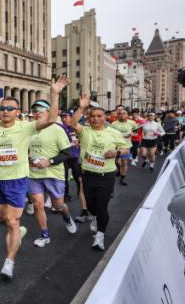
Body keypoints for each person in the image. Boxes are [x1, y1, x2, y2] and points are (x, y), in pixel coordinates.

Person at [0, 77, 68, 279]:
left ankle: (9, 262)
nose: (5, 111)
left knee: (12, 221)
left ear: (17, 112)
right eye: (2, 108)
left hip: (17, 180)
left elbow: (51, 119)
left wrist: (55, 94)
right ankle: (18, 231)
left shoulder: (26, 127)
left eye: (10, 108)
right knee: (2, 218)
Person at [70, 93, 128, 251]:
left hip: (106, 175)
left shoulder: (114, 133)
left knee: (102, 205)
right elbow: (73, 123)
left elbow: (125, 148)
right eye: (92, 116)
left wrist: (116, 152)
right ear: (88, 118)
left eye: (99, 116)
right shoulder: (85, 131)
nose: (95, 118)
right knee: (91, 205)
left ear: (105, 118)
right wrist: (81, 107)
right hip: (88, 174)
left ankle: (100, 236)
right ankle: (94, 216)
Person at [26, 100, 77, 247]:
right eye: (34, 111)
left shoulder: (57, 129)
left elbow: (67, 153)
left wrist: (50, 161)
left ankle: (66, 217)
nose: (36, 113)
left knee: (58, 205)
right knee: (38, 204)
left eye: (40, 110)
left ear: (49, 112)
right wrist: (27, 158)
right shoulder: (29, 129)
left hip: (53, 174)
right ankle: (45, 235)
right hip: (34, 174)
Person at [59, 111, 89, 222]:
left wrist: (80, 142)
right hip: (64, 156)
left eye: (66, 117)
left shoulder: (77, 127)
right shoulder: (60, 128)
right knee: (64, 176)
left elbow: (85, 138)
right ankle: (65, 195)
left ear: (71, 117)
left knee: (78, 178)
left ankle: (80, 193)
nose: (64, 119)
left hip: (75, 156)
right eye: (62, 117)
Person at [111, 108, 138, 186]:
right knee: (116, 161)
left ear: (127, 115)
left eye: (124, 113)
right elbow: (111, 134)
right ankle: (119, 169)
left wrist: (133, 134)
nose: (121, 115)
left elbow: (135, 131)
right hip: (115, 146)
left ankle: (122, 178)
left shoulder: (132, 123)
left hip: (126, 146)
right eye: (119, 114)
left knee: (124, 162)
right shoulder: (113, 124)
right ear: (117, 115)